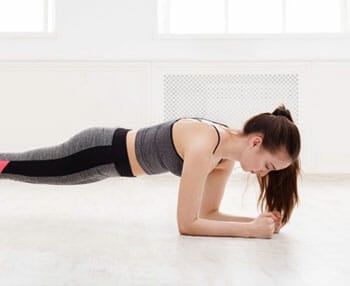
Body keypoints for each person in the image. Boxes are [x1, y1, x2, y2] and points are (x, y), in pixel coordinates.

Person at [0, 104, 301, 239]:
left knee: (20, 167)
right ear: (256, 142)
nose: (263, 174)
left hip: (108, 167)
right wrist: (249, 231)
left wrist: (257, 222)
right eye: (268, 166)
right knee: (18, 166)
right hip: (97, 151)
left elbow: (207, 214)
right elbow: (187, 224)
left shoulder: (223, 160)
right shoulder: (205, 143)